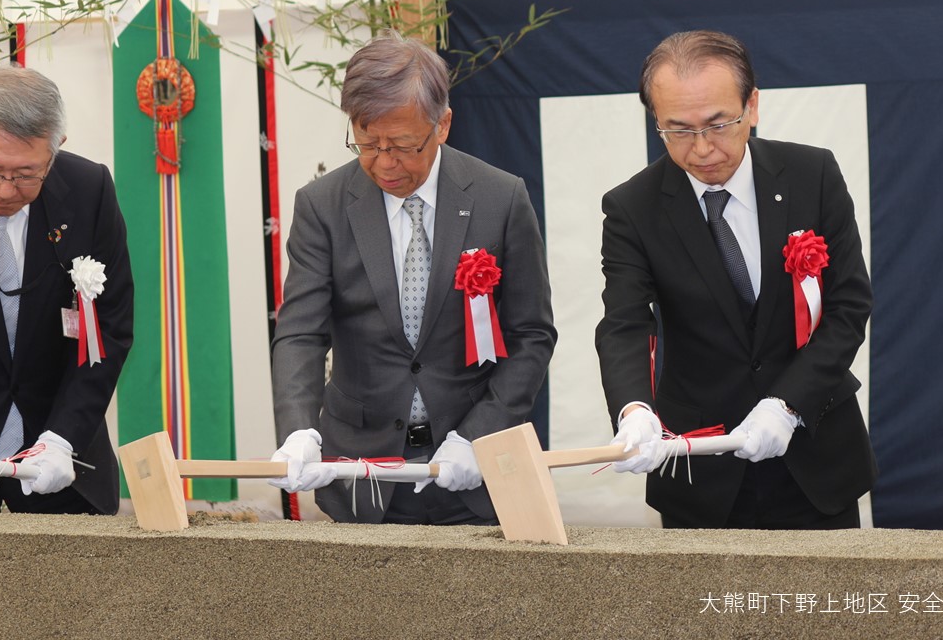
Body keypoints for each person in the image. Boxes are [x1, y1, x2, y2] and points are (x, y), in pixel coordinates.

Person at [270, 32, 556, 524]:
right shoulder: (322, 205)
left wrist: (478, 435)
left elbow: (531, 334)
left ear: (442, 125)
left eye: (402, 145)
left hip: (473, 471)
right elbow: (301, 332)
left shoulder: (500, 198)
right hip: (360, 469)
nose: (383, 162)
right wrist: (298, 431)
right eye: (366, 142)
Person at [596, 30, 876, 529]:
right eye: (677, 130)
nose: (702, 149)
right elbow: (625, 324)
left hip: (814, 453)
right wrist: (634, 409)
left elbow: (848, 307)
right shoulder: (632, 208)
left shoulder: (812, 175)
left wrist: (787, 405)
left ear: (753, 105)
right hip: (700, 464)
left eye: (718, 124)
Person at [0, 64, 134, 514]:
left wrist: (62, 437)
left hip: (58, 459)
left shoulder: (90, 191)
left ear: (55, 150)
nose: (6, 189)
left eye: (27, 173)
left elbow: (111, 327)